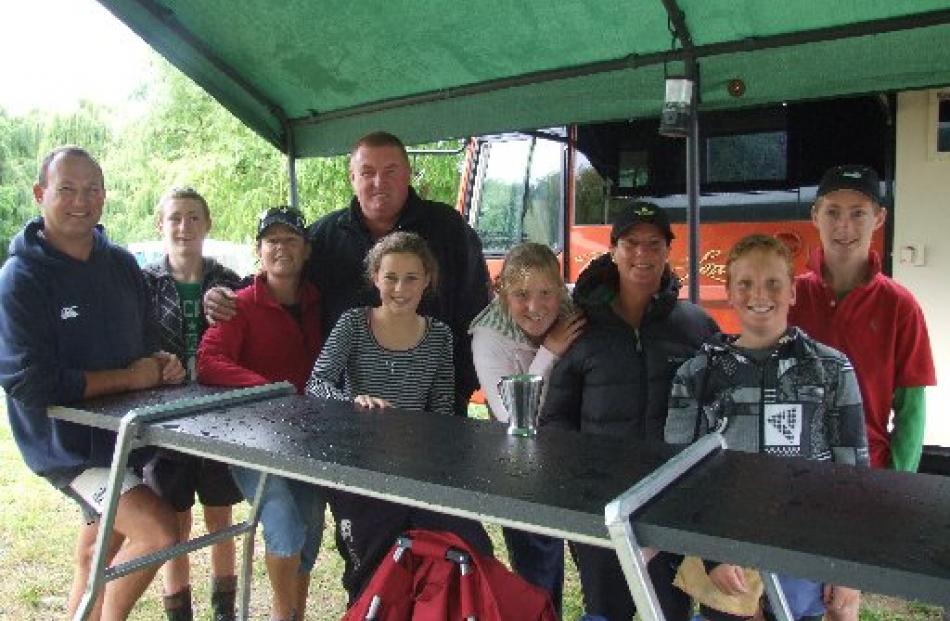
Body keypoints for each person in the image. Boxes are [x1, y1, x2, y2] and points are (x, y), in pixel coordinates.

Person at [0, 146, 185, 621]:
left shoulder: (122, 265)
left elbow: (143, 342)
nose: (81, 200)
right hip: (69, 449)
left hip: (124, 438)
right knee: (160, 531)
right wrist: (128, 377)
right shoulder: (19, 280)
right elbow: (31, 383)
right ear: (41, 194)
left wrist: (159, 362)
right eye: (67, 189)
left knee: (94, 554)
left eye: (92, 190)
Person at [205, 131, 490, 417]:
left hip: (435, 410)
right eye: (367, 173)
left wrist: (459, 390)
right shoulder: (325, 235)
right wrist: (225, 292)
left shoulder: (448, 229)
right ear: (352, 178)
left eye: (390, 171)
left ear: (408, 174)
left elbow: (478, 312)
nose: (379, 183)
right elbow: (280, 274)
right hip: (348, 414)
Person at [665, 233, 869, 621]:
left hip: (806, 555)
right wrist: (712, 556)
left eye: (774, 283)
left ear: (793, 291)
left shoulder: (830, 369)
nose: (760, 294)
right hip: (728, 558)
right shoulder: (696, 376)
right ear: (728, 292)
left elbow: (853, 475)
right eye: (745, 284)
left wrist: (847, 569)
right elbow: (681, 474)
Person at [540, 201, 719, 621]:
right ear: (614, 249)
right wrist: (576, 487)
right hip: (601, 505)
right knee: (606, 610)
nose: (642, 254)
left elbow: (716, 416)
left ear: (667, 250)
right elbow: (556, 418)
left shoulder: (696, 327)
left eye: (653, 244)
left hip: (673, 503)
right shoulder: (580, 326)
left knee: (670, 609)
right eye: (631, 243)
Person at [306, 231, 493, 602]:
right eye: (390, 277)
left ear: (428, 280)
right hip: (359, 466)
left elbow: (441, 408)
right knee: (371, 571)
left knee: (468, 551)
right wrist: (353, 400)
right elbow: (316, 383)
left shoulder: (439, 335)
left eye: (411, 278)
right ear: (375, 277)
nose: (400, 288)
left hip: (417, 468)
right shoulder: (353, 324)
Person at [787, 165, 936, 621]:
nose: (844, 226)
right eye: (833, 212)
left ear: (880, 219)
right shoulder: (791, 295)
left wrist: (895, 491)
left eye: (858, 213)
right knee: (781, 596)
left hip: (864, 482)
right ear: (815, 215)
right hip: (793, 474)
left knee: (841, 604)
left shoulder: (900, 306)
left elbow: (911, 413)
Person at [197, 206, 324, 621]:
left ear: (306, 250)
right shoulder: (240, 304)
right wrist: (269, 390)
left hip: (309, 439)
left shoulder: (318, 303)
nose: (281, 248)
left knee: (310, 530)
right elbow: (209, 360)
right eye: (272, 240)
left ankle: (293, 614)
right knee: (284, 524)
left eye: (290, 240)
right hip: (252, 440)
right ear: (259, 250)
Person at [141, 187, 244, 621]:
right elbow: (129, 341)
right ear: (160, 225)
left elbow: (247, 338)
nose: (184, 227)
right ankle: (178, 611)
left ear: (207, 224)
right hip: (163, 421)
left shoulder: (227, 281)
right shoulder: (143, 283)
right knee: (175, 523)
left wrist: (233, 309)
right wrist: (153, 363)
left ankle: (223, 612)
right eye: (175, 218)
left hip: (218, 419)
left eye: (193, 218)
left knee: (219, 518)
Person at [468, 242, 585, 614]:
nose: (535, 307)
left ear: (561, 287)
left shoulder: (574, 314)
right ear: (502, 292)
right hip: (523, 458)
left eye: (545, 293)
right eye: (521, 295)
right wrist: (549, 351)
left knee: (591, 552)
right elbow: (511, 418)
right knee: (538, 561)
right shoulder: (488, 336)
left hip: (573, 449)